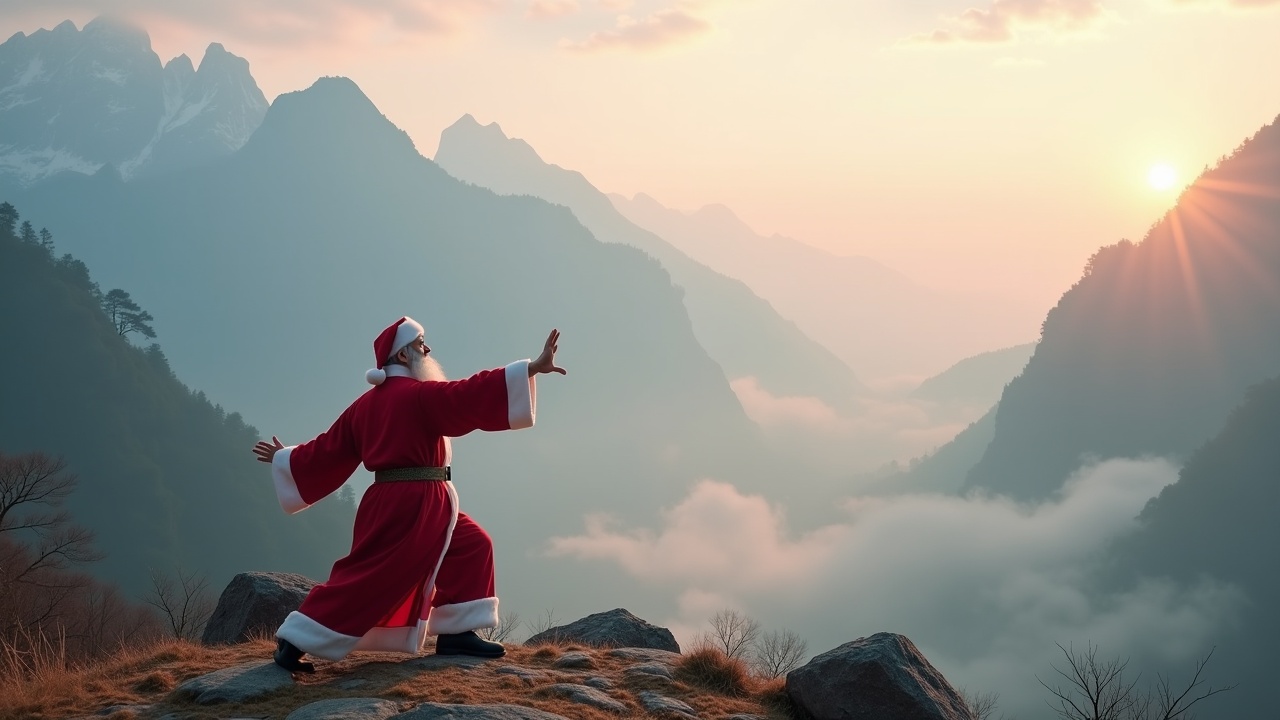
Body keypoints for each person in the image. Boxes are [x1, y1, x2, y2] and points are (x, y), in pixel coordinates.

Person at [251, 317, 565, 672]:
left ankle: (457, 631)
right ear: (402, 354)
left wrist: (287, 459)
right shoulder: (419, 395)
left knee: (471, 544)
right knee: (371, 577)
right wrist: (530, 369)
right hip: (413, 504)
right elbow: (468, 394)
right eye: (420, 344)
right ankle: (294, 640)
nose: (426, 350)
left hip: (408, 501)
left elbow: (328, 450)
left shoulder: (365, 405)